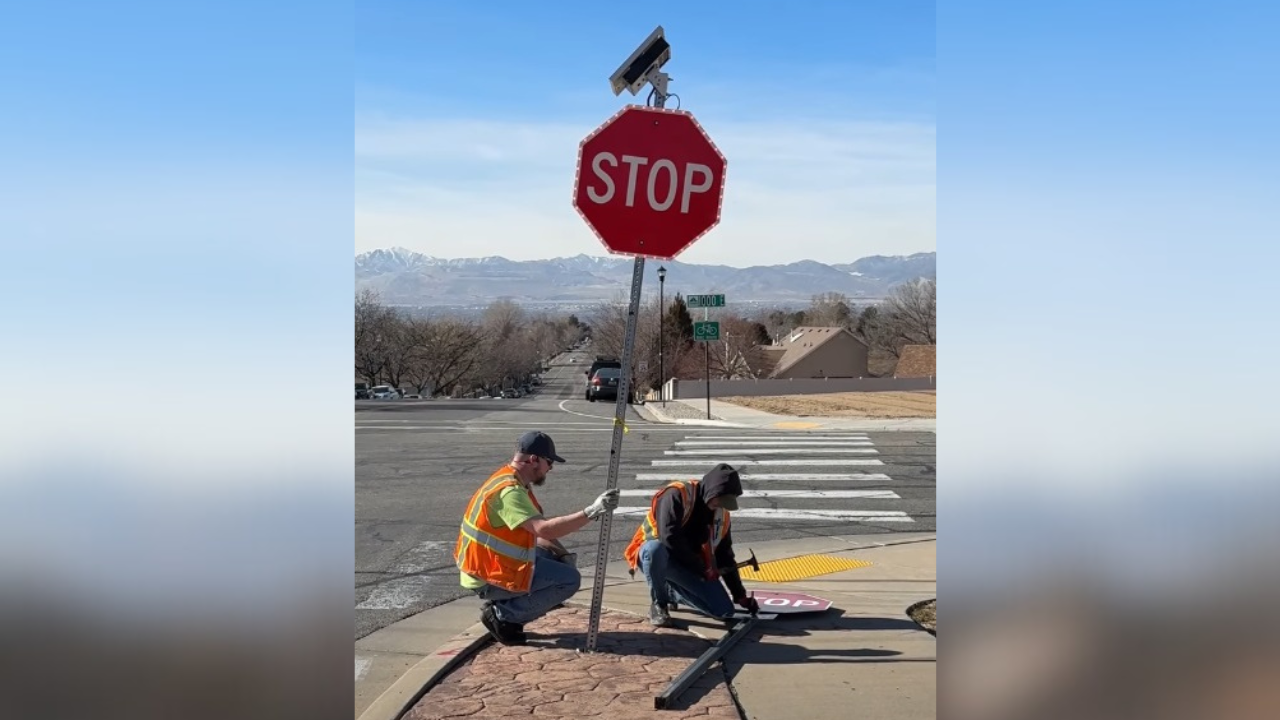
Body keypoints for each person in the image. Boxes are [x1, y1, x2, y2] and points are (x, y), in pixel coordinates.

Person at [455, 430, 620, 645]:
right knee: (569, 580)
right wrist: (592, 511)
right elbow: (545, 530)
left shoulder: (511, 479)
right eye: (549, 462)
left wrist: (563, 555)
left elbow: (537, 534)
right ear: (534, 459)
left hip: (488, 565)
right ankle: (502, 616)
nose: (550, 468)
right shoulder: (510, 492)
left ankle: (510, 605)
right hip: (487, 575)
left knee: (556, 560)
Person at [623, 463, 760, 627]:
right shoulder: (677, 494)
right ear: (711, 490)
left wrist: (739, 595)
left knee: (724, 611)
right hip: (655, 556)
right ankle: (659, 604)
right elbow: (669, 538)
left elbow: (725, 555)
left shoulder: (721, 515)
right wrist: (701, 568)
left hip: (688, 563)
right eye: (720, 499)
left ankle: (670, 593)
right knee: (655, 550)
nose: (721, 506)